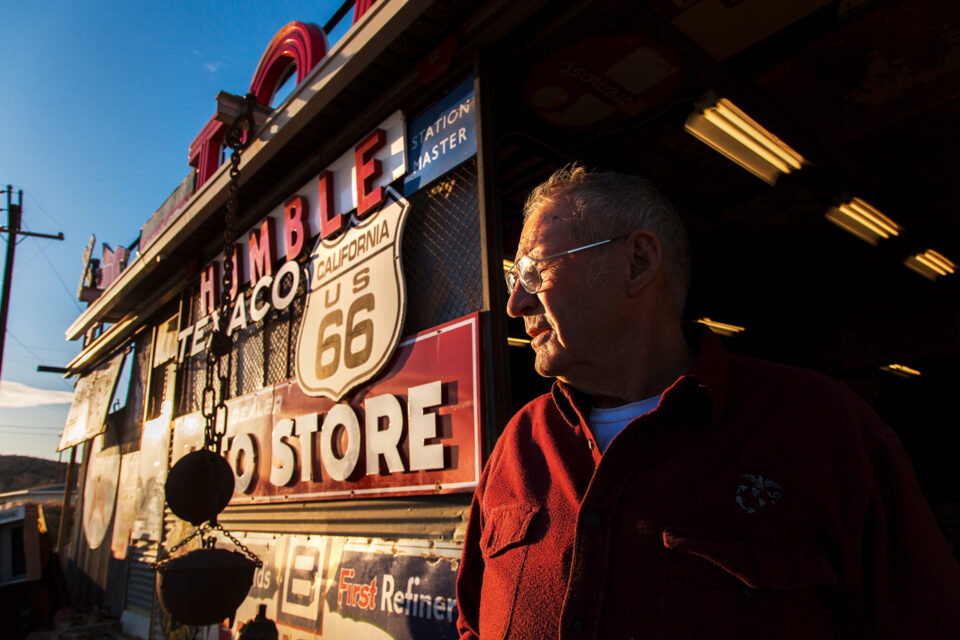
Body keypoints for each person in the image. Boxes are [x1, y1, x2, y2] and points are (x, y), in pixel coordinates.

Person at [455, 165, 959, 639]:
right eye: (512, 281)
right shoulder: (518, 443)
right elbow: (471, 620)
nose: (515, 303)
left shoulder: (825, 431)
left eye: (533, 271)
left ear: (638, 262)